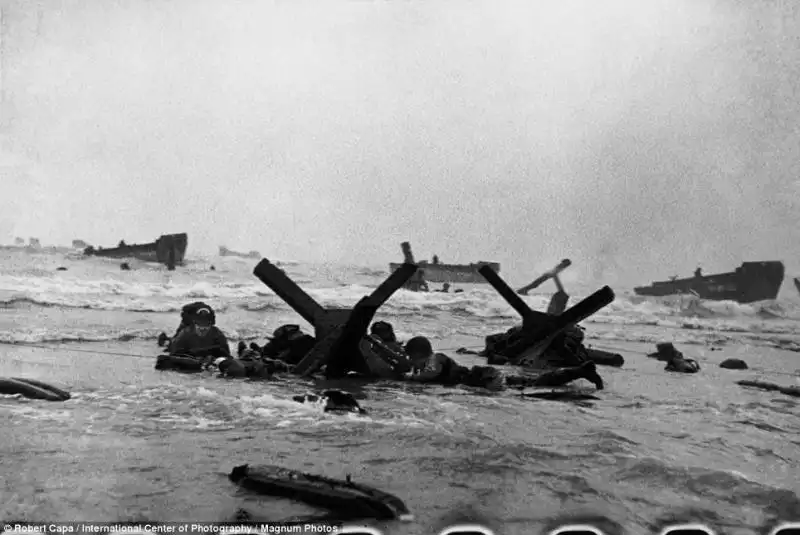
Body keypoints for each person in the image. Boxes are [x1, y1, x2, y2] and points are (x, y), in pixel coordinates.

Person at [403, 336, 604, 391]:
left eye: (412, 358)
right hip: (485, 376)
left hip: (483, 377)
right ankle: (579, 371)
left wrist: (412, 377)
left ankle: (578, 371)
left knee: (535, 385)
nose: (412, 363)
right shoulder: (431, 359)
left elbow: (431, 373)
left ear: (419, 354)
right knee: (534, 383)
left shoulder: (435, 358)